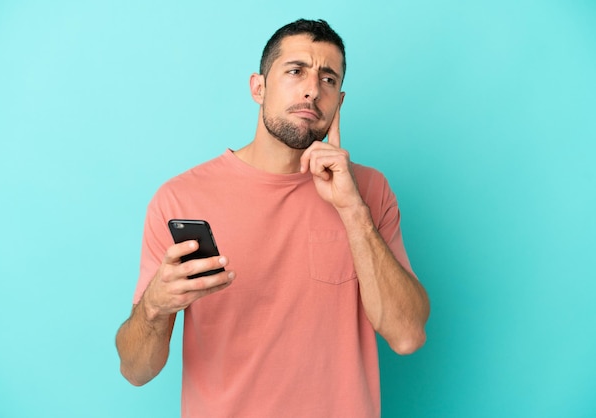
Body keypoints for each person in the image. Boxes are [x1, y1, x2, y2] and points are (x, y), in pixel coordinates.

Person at [116, 18, 430, 417]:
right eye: (296, 71)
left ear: (339, 101)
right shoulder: (180, 198)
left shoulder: (368, 190)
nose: (312, 89)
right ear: (258, 88)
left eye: (328, 79)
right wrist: (155, 306)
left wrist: (353, 212)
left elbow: (407, 336)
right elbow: (136, 370)